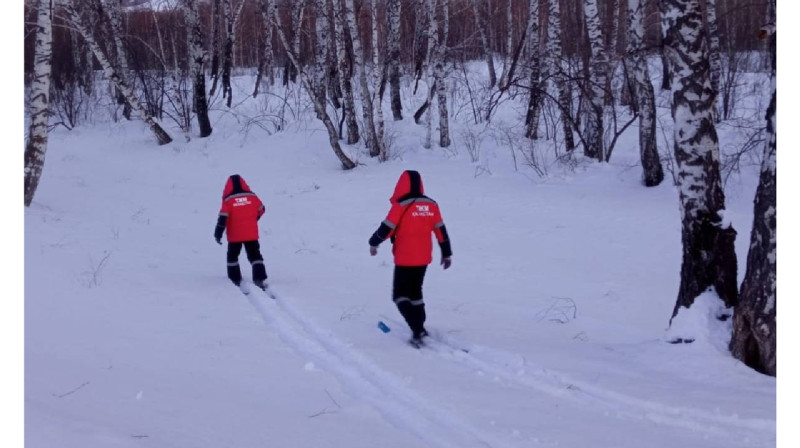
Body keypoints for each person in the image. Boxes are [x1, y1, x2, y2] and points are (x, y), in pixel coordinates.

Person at [368, 170, 452, 346]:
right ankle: (420, 326)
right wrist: (446, 253)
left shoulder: (401, 205)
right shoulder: (432, 205)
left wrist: (373, 243)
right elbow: (440, 231)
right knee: (416, 293)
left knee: (400, 296)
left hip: (405, 258)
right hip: (423, 259)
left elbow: (386, 228)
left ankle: (417, 330)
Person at [214, 174, 268, 290]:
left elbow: (223, 218)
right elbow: (262, 209)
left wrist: (218, 233)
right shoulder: (252, 197)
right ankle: (259, 277)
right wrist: (253, 219)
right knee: (255, 255)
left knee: (232, 256)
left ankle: (235, 278)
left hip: (235, 235)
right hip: (251, 234)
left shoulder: (228, 200)